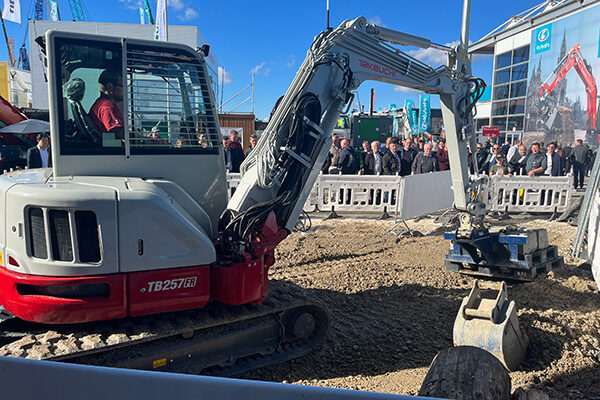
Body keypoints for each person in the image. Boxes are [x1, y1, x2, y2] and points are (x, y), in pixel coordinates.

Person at [89, 69, 124, 139]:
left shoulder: (103, 104)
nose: (125, 90)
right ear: (110, 86)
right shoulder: (106, 107)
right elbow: (120, 134)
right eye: (122, 85)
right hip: (115, 148)